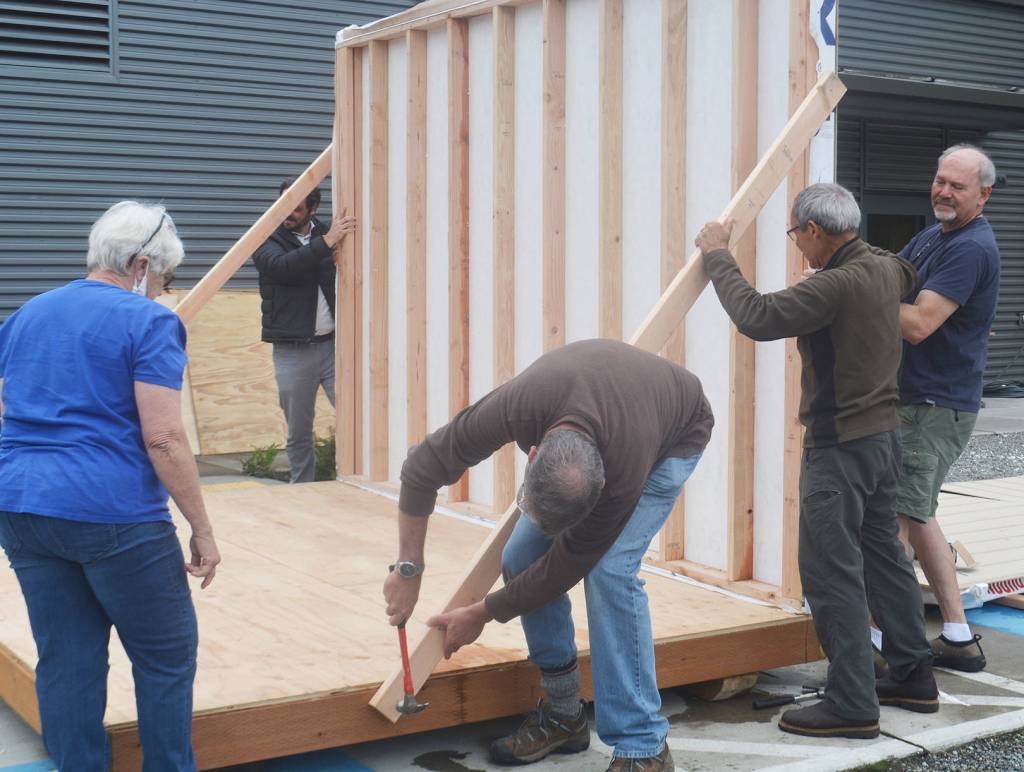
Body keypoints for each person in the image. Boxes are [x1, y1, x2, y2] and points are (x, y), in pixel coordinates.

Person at [383, 339, 713, 771]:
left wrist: (483, 611)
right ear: (533, 453)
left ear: (600, 488)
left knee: (610, 572)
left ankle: (643, 744)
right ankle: (564, 715)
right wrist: (409, 568)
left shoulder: (624, 474)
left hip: (677, 432)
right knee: (520, 553)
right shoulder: (521, 405)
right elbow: (422, 467)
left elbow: (566, 566)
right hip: (602, 398)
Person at [695, 183, 935, 740]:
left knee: (830, 572)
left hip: (841, 449)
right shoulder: (884, 268)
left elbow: (755, 316)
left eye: (796, 234)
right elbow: (908, 273)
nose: (797, 243)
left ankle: (852, 703)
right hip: (883, 441)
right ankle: (912, 675)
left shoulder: (835, 283)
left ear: (815, 232)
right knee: (883, 558)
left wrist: (718, 255)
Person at [0, 201, 221, 770]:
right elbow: (166, 437)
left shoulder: (29, 313)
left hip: (24, 507)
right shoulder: (148, 321)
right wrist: (201, 527)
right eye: (165, 277)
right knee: (166, 657)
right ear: (141, 263)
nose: (164, 290)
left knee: (66, 659)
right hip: (113, 514)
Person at [881, 144, 999, 673]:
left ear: (983, 194)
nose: (944, 191)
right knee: (918, 513)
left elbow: (919, 322)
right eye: (940, 180)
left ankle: (883, 647)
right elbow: (893, 274)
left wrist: (850, 298)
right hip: (923, 399)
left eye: (957, 185)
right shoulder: (937, 234)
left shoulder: (969, 248)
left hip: (934, 406)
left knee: (895, 524)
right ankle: (955, 635)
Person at [252, 178, 356, 483]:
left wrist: (333, 249)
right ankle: (302, 487)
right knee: (299, 429)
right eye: (284, 205)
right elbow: (283, 267)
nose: (288, 213)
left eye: (296, 207)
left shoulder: (328, 233)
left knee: (354, 417)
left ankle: (353, 480)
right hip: (292, 351)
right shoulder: (265, 237)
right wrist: (326, 244)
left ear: (312, 208)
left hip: (333, 347)